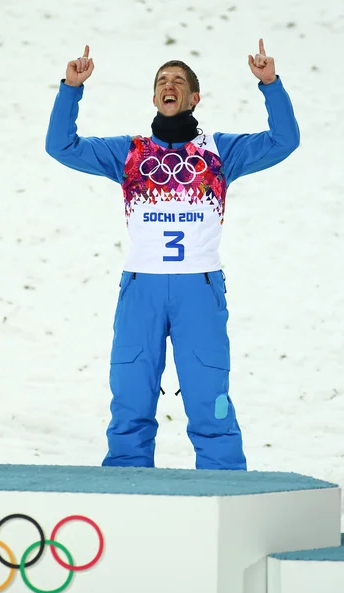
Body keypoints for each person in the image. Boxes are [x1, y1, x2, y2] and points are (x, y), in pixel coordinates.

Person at [46, 40, 300, 470]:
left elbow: (284, 141)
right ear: (154, 96)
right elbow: (61, 146)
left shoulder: (220, 151)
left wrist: (270, 85)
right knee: (130, 395)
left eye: (178, 81)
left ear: (193, 97)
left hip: (198, 291)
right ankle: (127, 486)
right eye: (162, 80)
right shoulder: (129, 152)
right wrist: (71, 89)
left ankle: (224, 489)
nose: (170, 85)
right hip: (141, 289)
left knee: (208, 395)